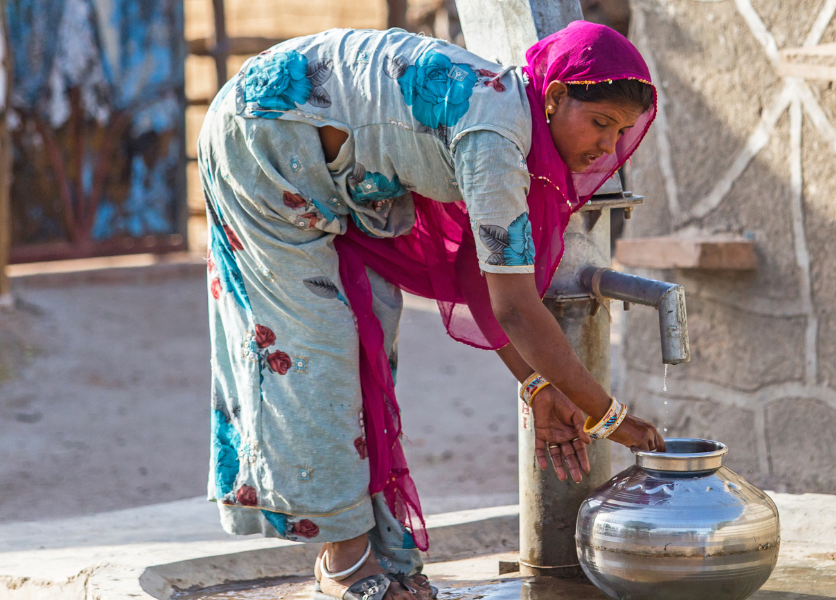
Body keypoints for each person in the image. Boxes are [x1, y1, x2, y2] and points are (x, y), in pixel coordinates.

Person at [197, 20, 665, 600]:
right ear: (557, 95)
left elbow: (485, 288)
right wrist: (611, 417)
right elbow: (515, 308)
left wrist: (540, 386)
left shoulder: (513, 124)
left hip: (337, 173)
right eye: (599, 123)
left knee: (370, 330)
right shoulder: (496, 141)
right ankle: (344, 561)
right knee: (319, 348)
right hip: (263, 139)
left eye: (620, 131)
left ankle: (379, 552)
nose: (607, 146)